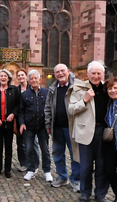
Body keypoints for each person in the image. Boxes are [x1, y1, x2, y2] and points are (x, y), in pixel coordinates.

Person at [68, 60, 109, 202]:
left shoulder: (107, 89)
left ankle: (100, 194)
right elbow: (71, 109)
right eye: (93, 73)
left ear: (103, 74)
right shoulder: (79, 88)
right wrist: (84, 101)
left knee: (101, 165)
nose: (96, 76)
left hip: (103, 133)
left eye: (99, 73)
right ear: (88, 74)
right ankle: (85, 193)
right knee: (85, 167)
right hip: (85, 132)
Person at [44, 64, 80, 192]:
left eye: (62, 71)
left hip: (72, 128)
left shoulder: (76, 86)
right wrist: (48, 124)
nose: (60, 73)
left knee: (75, 154)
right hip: (57, 127)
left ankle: (76, 180)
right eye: (57, 72)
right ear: (55, 75)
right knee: (58, 154)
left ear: (68, 72)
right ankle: (62, 177)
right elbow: (47, 107)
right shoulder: (53, 88)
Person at [19, 69, 53, 182]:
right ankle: (30, 170)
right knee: (28, 149)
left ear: (39, 79)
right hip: (29, 126)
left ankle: (47, 171)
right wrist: (22, 123)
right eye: (31, 79)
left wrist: (49, 124)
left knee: (45, 149)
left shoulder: (46, 92)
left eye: (35, 78)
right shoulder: (24, 95)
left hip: (43, 126)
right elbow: (21, 111)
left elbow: (50, 109)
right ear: (28, 81)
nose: (33, 80)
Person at [0, 69, 20, 178]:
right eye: (1, 76)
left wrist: (13, 114)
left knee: (9, 147)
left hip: (9, 123)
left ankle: (7, 170)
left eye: (5, 76)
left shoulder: (14, 90)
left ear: (8, 78)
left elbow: (18, 105)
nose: (3, 78)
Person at [15, 68, 40, 172]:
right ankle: (23, 163)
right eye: (19, 75)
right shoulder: (16, 89)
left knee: (33, 143)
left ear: (26, 77)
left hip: (31, 120)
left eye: (22, 75)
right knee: (20, 143)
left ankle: (35, 164)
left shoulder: (32, 87)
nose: (21, 77)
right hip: (19, 118)